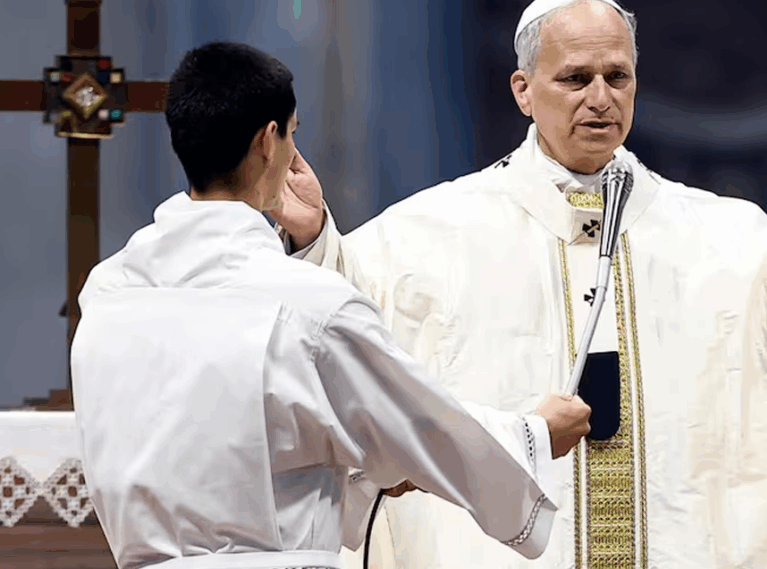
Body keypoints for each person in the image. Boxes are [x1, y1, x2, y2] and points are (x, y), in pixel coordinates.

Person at [273, 0, 767, 567]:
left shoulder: (726, 238)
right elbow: (344, 330)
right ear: (523, 90)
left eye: (618, 77)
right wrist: (312, 242)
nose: (601, 98)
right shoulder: (428, 235)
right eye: (576, 79)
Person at [69, 40, 592, 569]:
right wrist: (534, 434)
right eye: (294, 133)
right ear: (268, 141)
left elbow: (229, 441)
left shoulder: (111, 292)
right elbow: (424, 427)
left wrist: (373, 471)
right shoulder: (310, 306)